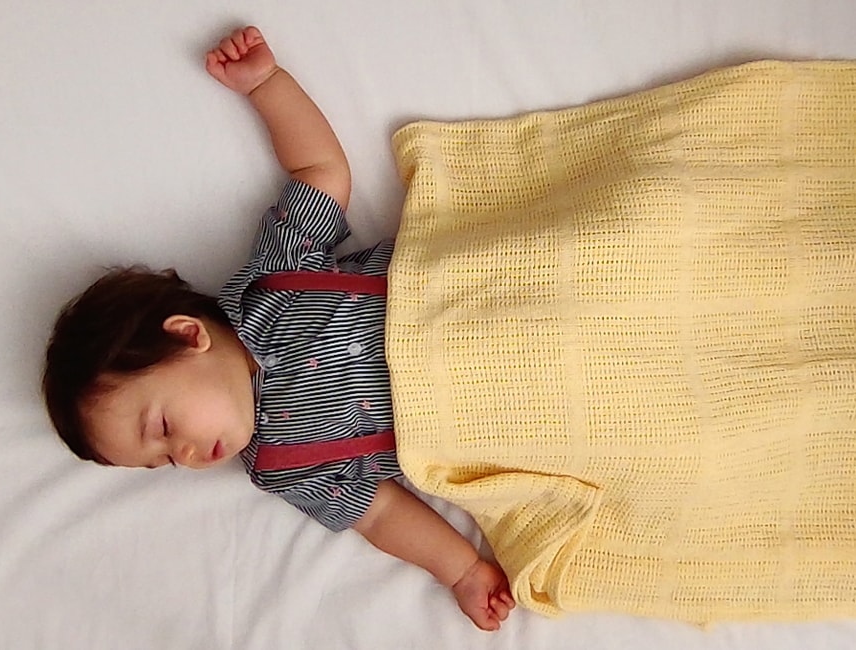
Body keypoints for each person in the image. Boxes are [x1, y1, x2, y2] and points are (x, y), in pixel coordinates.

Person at [41, 26, 515, 631]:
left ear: (187, 335)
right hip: (499, 415)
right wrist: (462, 569)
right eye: (164, 461)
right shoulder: (281, 465)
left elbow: (320, 170)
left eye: (162, 428)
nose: (184, 455)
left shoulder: (275, 280)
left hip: (483, 298)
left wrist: (266, 84)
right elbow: (377, 512)